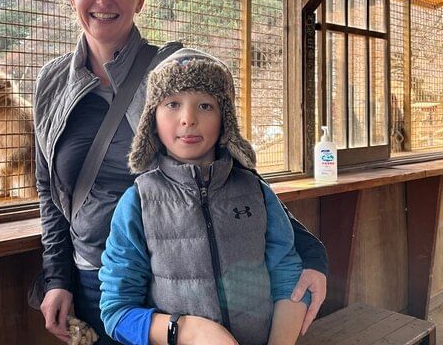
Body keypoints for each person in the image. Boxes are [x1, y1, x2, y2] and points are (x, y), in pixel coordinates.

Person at [32, 0, 327, 344]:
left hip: (182, 281)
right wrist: (57, 278)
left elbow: (232, 172)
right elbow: (48, 188)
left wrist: (309, 252)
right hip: (96, 283)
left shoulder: (175, 71)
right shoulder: (51, 83)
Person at [99, 48, 307, 345]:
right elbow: (116, 313)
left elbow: (288, 276)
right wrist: (187, 330)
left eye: (206, 105)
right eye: (172, 103)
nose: (188, 118)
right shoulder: (138, 203)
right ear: (152, 119)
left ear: (225, 120)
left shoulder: (257, 191)